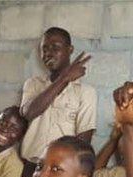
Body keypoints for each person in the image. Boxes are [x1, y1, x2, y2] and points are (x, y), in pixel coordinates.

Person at [19, 27, 96, 169]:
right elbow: (29, 113)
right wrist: (64, 79)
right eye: (45, 48)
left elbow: (83, 141)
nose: (48, 53)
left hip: (63, 169)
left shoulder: (85, 92)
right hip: (30, 167)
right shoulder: (33, 84)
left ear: (70, 50)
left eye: (55, 47)